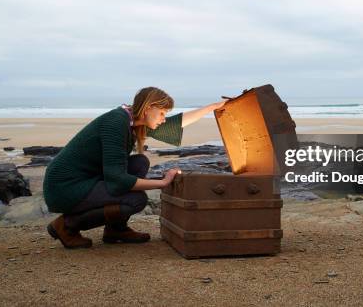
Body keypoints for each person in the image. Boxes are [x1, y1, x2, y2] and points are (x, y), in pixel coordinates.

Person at [43, 87, 226, 248]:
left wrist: (211, 108)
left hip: (86, 180)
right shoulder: (116, 122)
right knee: (136, 200)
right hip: (65, 188)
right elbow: (117, 179)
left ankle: (116, 230)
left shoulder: (132, 121)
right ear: (148, 108)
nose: (164, 119)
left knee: (140, 162)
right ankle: (67, 225)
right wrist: (162, 183)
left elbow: (175, 124)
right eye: (162, 113)